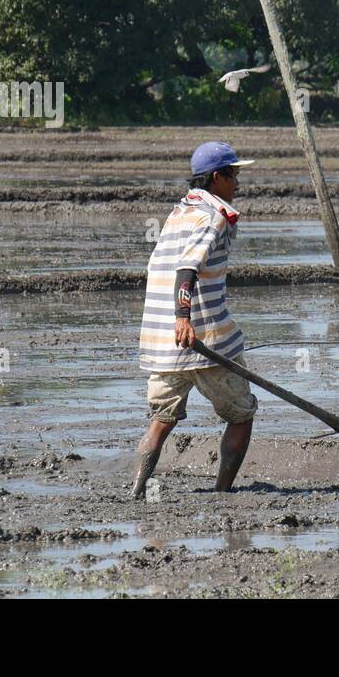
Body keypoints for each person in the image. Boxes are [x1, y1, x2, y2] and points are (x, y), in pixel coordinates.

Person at [131, 141, 258, 498]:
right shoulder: (212, 216)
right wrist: (183, 319)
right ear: (216, 177)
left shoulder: (180, 212)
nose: (238, 183)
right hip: (204, 339)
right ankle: (221, 493)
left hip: (163, 345)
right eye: (233, 174)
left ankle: (137, 491)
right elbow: (188, 267)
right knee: (241, 414)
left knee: (160, 420)